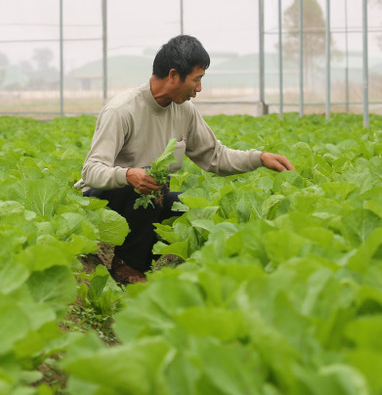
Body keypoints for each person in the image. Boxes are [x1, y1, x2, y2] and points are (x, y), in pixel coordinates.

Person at [74, 35, 294, 284]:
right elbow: (91, 171)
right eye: (196, 79)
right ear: (173, 75)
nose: (199, 89)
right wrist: (128, 174)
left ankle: (158, 262)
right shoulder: (122, 110)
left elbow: (215, 156)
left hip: (148, 197)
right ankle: (128, 265)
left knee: (186, 208)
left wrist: (260, 158)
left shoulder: (184, 111)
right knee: (149, 187)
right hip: (104, 201)